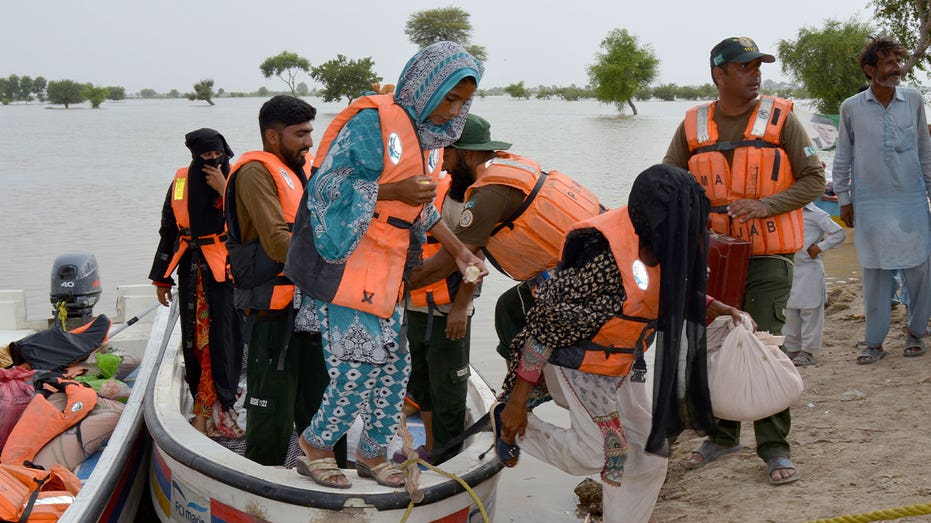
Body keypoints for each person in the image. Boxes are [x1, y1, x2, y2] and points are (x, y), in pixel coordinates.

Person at [284, 41, 487, 489]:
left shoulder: (433, 141)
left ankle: (372, 453)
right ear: (425, 85)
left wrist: (460, 251)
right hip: (349, 266)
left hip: (392, 272)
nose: (452, 109)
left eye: (462, 100)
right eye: (448, 98)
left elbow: (425, 209)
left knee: (395, 369)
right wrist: (392, 194)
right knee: (356, 367)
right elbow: (324, 190)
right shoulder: (371, 123)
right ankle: (315, 446)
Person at [492, 165, 719, 523]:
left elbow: (668, 290)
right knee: (597, 453)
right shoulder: (604, 259)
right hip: (575, 361)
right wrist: (517, 402)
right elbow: (543, 324)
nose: (689, 227)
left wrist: (717, 308)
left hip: (623, 362)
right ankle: (508, 424)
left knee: (648, 454)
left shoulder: (672, 243)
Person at [663, 36, 825, 485]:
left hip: (770, 256)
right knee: (716, 344)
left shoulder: (782, 119)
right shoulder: (692, 125)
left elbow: (815, 179)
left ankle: (774, 449)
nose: (755, 74)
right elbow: (668, 181)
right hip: (713, 258)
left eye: (758, 66)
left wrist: (765, 206)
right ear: (719, 74)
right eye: (744, 67)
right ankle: (722, 435)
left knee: (763, 343)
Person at [409, 113, 604, 365]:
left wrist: (395, 287)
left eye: (445, 156)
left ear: (465, 154)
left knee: (515, 315)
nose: (443, 166)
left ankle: (528, 388)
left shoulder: (488, 194)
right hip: (591, 260)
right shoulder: (507, 166)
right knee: (509, 309)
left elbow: (451, 262)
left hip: (587, 274)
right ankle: (526, 386)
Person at [224, 95, 337, 466]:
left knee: (322, 405)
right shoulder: (256, 173)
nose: (308, 142)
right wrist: (334, 267)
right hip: (272, 315)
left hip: (310, 309)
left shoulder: (298, 170)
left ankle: (326, 472)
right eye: (300, 134)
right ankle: (264, 481)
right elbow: (276, 241)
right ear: (273, 136)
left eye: (310, 133)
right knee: (271, 409)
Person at [833, 36, 931, 364]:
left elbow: (924, 151)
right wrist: (844, 199)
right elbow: (842, 158)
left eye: (898, 62)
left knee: (918, 269)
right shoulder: (851, 108)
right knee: (873, 272)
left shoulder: (914, 100)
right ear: (869, 69)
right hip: (870, 203)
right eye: (889, 63)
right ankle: (874, 342)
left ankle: (916, 333)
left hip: (911, 200)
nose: (897, 69)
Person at [148, 128, 242, 437]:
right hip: (190, 270)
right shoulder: (180, 182)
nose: (213, 162)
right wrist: (161, 277)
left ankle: (216, 411)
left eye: (218, 156)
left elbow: (253, 222)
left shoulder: (238, 177)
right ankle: (203, 412)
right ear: (193, 157)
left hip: (225, 272)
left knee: (221, 342)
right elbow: (168, 229)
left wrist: (225, 188)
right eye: (205, 158)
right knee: (195, 344)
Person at [402, 165, 480, 465]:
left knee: (448, 386)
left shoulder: (457, 197)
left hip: (448, 309)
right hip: (413, 305)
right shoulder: (412, 190)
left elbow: (475, 255)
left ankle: (447, 458)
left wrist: (461, 307)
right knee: (421, 382)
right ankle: (430, 448)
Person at [782, 203, 846, 366]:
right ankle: (793, 348)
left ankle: (808, 351)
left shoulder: (817, 214)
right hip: (788, 266)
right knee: (789, 309)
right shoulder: (783, 210)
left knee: (811, 310)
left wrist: (819, 247)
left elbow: (839, 233)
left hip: (809, 268)